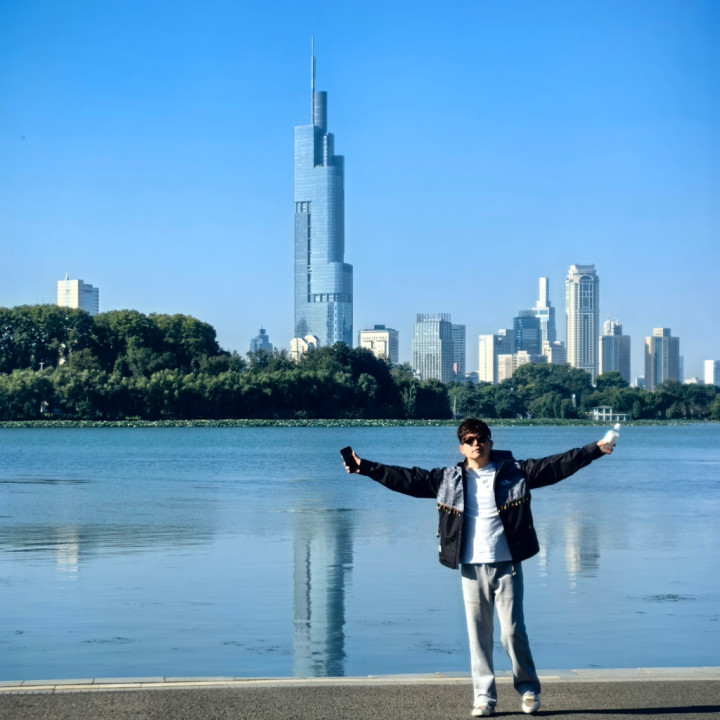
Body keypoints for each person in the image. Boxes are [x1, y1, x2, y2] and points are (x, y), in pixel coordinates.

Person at [343, 417, 613, 717]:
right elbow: (406, 479)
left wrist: (594, 450)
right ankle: (484, 697)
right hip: (471, 567)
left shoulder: (516, 473)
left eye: (481, 438)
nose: (476, 444)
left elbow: (557, 465)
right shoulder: (448, 479)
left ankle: (528, 689)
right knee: (478, 635)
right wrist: (365, 467)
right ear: (461, 447)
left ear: (490, 443)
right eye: (469, 440)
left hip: (507, 563)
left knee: (512, 632)